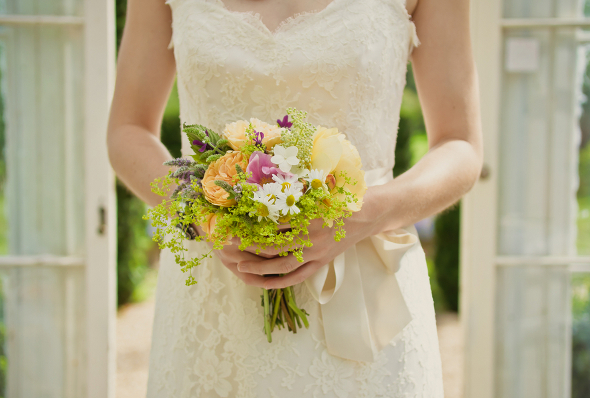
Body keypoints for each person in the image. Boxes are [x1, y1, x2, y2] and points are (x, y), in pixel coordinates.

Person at [107, 0, 483, 396]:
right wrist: (206, 213)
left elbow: (459, 144)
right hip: (215, 299)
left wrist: (364, 213)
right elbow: (128, 129)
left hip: (363, 284)